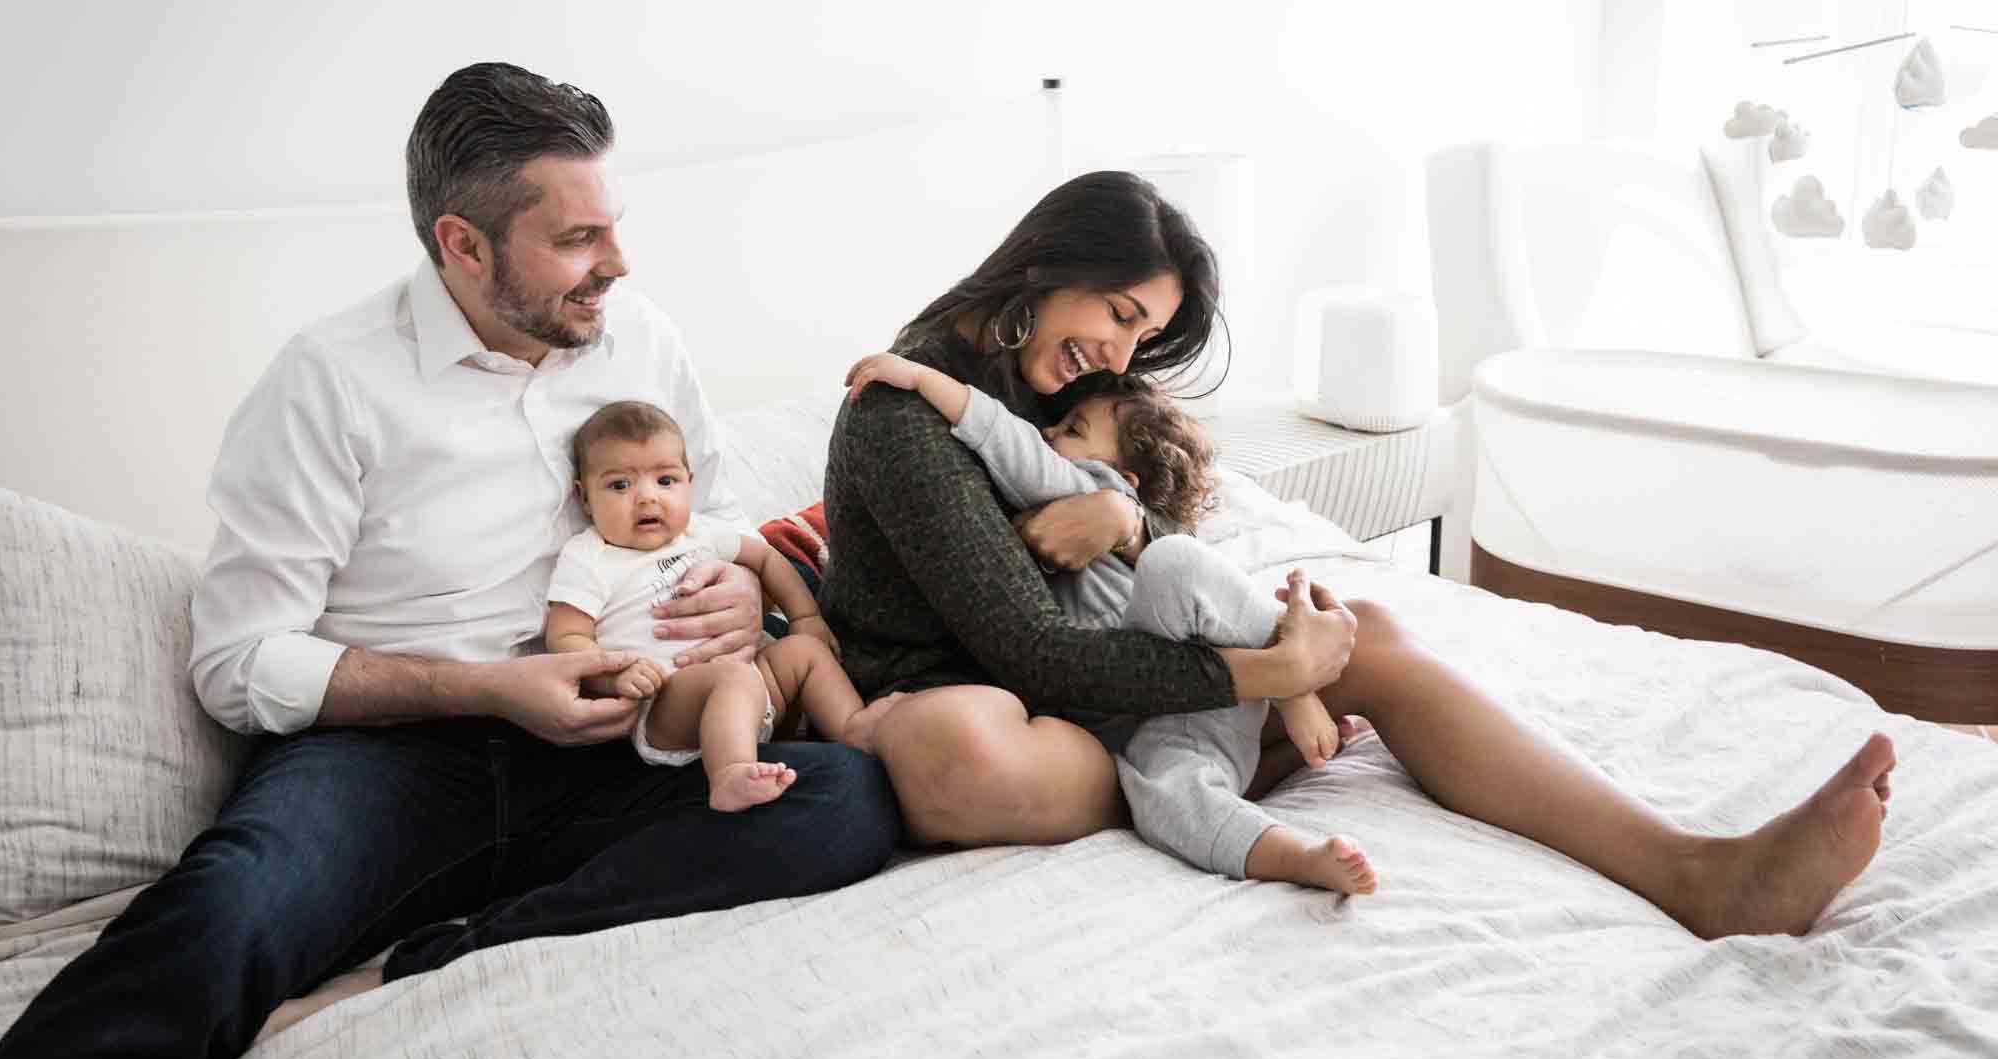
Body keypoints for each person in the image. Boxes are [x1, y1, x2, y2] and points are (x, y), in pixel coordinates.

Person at [0, 62, 901, 1059]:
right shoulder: (327, 381)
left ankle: (462, 947)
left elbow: (723, 516)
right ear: (461, 245)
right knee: (225, 905)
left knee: (839, 798)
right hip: (388, 759)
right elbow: (237, 662)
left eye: (612, 227)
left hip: (617, 743)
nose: (615, 263)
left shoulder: (642, 336)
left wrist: (744, 606)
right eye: (575, 241)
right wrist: (489, 688)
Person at [820, 168, 1895, 941]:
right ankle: (1240, 745)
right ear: (1047, 264)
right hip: (994, 702)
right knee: (966, 753)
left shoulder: (1050, 381)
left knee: (1354, 626)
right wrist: (1266, 671)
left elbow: (1149, 542)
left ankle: (1696, 871)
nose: (1119, 352)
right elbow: (1033, 652)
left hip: (1094, 677)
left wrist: (1132, 527)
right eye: (1117, 312)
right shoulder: (901, 415)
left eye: (1140, 335)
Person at [841, 350, 1376, 894]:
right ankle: (1296, 854)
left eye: (1073, 429)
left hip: (1186, 660)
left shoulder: (1097, 490)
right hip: (1163, 722)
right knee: (1167, 800)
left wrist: (927, 380)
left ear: (1125, 479)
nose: (1049, 432)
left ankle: (1291, 674)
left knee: (1175, 562)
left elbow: (1014, 446)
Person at [549, 398, 900, 809]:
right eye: (620, 485)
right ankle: (731, 774)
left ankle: (854, 728)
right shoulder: (589, 556)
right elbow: (567, 635)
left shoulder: (700, 533)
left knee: (803, 652)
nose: (647, 499)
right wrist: (614, 676)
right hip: (667, 702)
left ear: (689, 483)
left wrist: (805, 617)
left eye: (665, 481)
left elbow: (767, 558)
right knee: (730, 677)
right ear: (584, 497)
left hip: (753, 683)